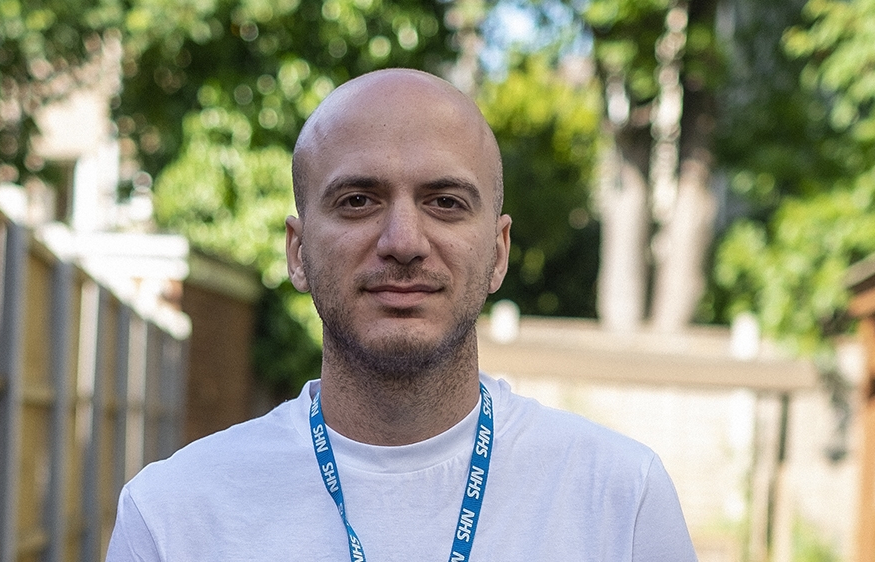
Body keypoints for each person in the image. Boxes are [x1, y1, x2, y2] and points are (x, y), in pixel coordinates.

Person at [106, 68, 698, 561]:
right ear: (299, 251)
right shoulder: (172, 518)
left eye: (445, 202)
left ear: (498, 252)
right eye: (358, 200)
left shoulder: (621, 502)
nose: (404, 240)